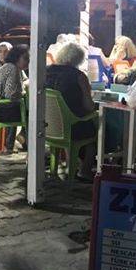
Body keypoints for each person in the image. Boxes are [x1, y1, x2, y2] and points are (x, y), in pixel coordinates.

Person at [45, 42, 97, 180]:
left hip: (48, 126)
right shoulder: (79, 76)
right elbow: (89, 106)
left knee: (71, 120)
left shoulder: (45, 71)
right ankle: (85, 171)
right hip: (70, 127)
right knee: (96, 131)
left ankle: (69, 165)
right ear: (78, 59)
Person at [0, 44, 30, 152]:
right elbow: (11, 95)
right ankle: (31, 145)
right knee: (35, 114)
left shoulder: (10, 66)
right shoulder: (13, 69)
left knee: (30, 111)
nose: (28, 61)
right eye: (25, 58)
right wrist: (23, 92)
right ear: (16, 57)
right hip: (2, 110)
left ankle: (24, 140)